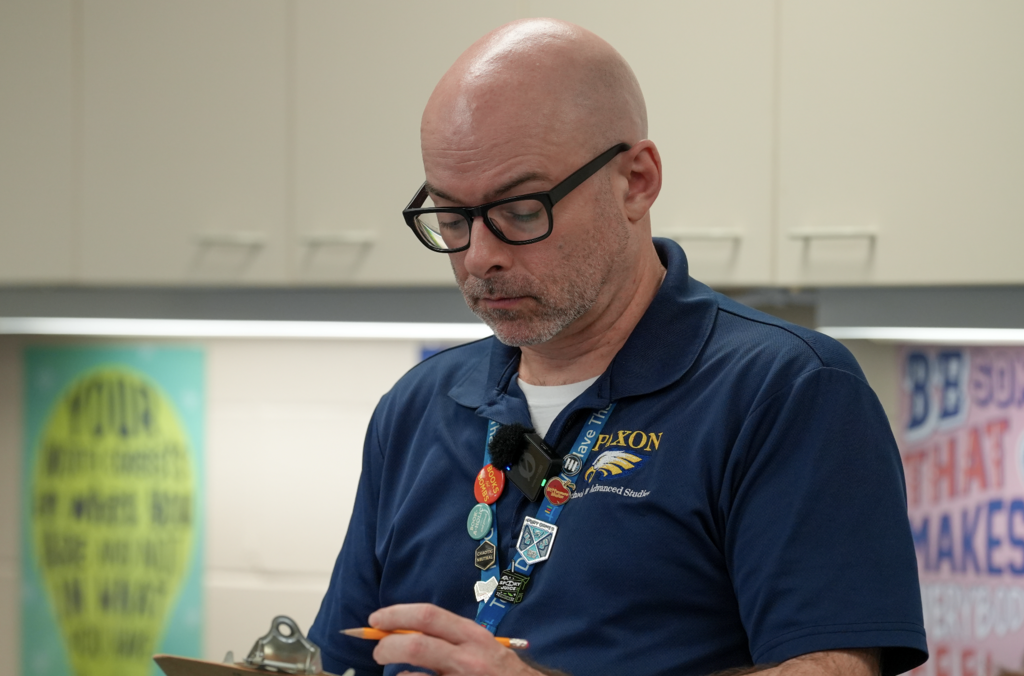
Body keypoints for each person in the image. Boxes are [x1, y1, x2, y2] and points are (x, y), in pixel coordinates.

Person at [308, 18, 927, 676]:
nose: (479, 257)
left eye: (521, 211)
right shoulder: (418, 407)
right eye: (452, 218)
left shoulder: (787, 392)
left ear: (637, 181)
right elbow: (340, 660)